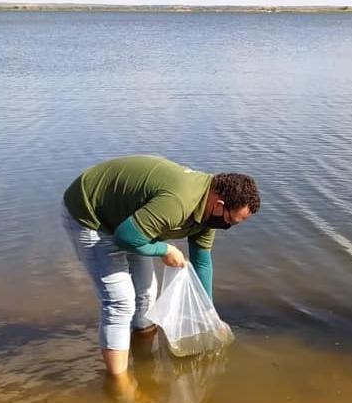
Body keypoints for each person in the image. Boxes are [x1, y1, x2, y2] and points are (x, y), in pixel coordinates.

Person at [61, 155, 260, 381]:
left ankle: (143, 358)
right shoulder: (178, 202)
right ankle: (120, 386)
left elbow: (202, 261)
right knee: (121, 302)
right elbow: (125, 238)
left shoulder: (209, 213)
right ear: (220, 204)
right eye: (231, 221)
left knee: (146, 294)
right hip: (90, 214)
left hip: (131, 221)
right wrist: (165, 250)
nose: (228, 227)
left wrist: (208, 315)